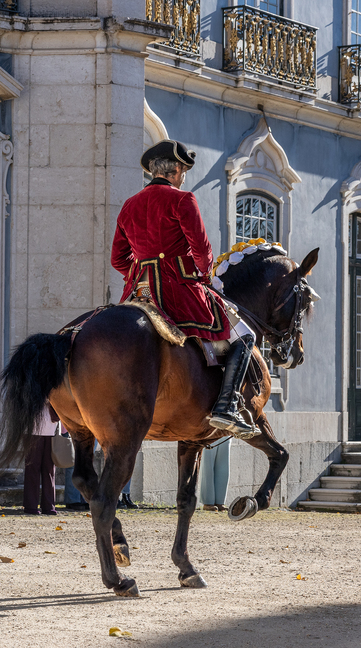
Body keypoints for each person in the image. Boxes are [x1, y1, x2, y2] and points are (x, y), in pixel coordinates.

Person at [111, 139, 258, 438]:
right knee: (243, 336)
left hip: (138, 292)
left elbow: (117, 258)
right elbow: (202, 250)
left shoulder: (129, 205)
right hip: (178, 289)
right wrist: (201, 275)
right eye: (184, 170)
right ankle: (226, 407)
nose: (183, 176)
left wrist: (139, 273)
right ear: (177, 170)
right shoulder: (182, 199)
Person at [24, 402, 59, 515]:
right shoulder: (30, 384)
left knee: (49, 470)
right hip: (32, 430)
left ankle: (49, 506)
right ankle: (30, 506)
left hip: (51, 429)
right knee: (32, 469)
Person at [199, 437, 231, 512]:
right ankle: (208, 502)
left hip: (227, 428)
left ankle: (220, 501)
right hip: (209, 429)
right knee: (207, 464)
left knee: (224, 465)